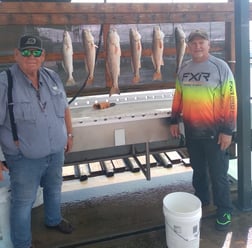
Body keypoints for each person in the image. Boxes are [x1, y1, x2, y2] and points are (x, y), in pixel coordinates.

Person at [0, 34, 74, 248]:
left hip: (56, 151)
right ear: (16, 54)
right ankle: (23, 244)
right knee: (23, 203)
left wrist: (69, 134)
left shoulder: (52, 77)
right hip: (24, 159)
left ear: (43, 56)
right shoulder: (5, 82)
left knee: (54, 188)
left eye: (36, 52)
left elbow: (65, 108)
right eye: (25, 52)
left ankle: (53, 220)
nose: (30, 56)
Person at [170, 29, 237, 231]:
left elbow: (231, 100)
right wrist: (173, 120)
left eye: (202, 42)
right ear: (188, 46)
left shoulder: (220, 67)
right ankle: (201, 201)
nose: (198, 46)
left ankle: (224, 210)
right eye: (194, 43)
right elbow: (178, 96)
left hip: (215, 133)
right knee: (198, 171)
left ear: (209, 45)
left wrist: (228, 131)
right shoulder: (184, 69)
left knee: (219, 174)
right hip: (192, 132)